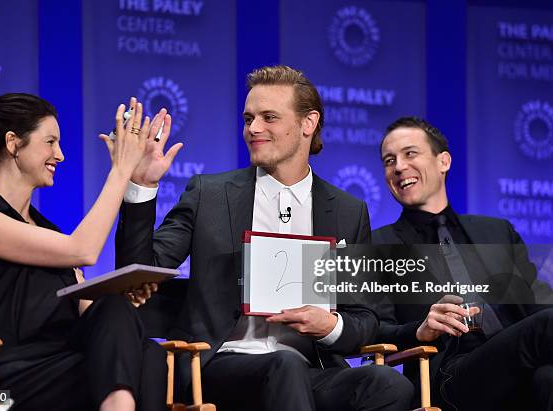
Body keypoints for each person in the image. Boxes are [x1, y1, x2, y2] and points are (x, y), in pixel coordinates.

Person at [115, 65, 413, 411]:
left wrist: (330, 326)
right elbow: (137, 273)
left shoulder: (347, 211)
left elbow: (365, 318)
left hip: (311, 367)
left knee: (389, 384)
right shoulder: (209, 194)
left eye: (269, 117)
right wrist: (142, 187)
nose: (253, 128)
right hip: (219, 366)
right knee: (283, 368)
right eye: (248, 118)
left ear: (308, 124)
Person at [0, 93, 179, 411]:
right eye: (50, 142)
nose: (61, 155)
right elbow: (83, 250)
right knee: (139, 360)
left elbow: (86, 309)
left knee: (147, 351)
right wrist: (120, 171)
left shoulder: (49, 232)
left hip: (58, 368)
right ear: (13, 143)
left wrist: (122, 301)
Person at [373, 116, 553, 410]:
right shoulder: (378, 245)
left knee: (548, 378)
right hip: (449, 374)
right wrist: (419, 329)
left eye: (410, 154)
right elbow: (371, 328)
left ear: (443, 161)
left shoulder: (497, 231)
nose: (399, 167)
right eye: (389, 160)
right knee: (546, 328)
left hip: (520, 361)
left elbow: (539, 301)